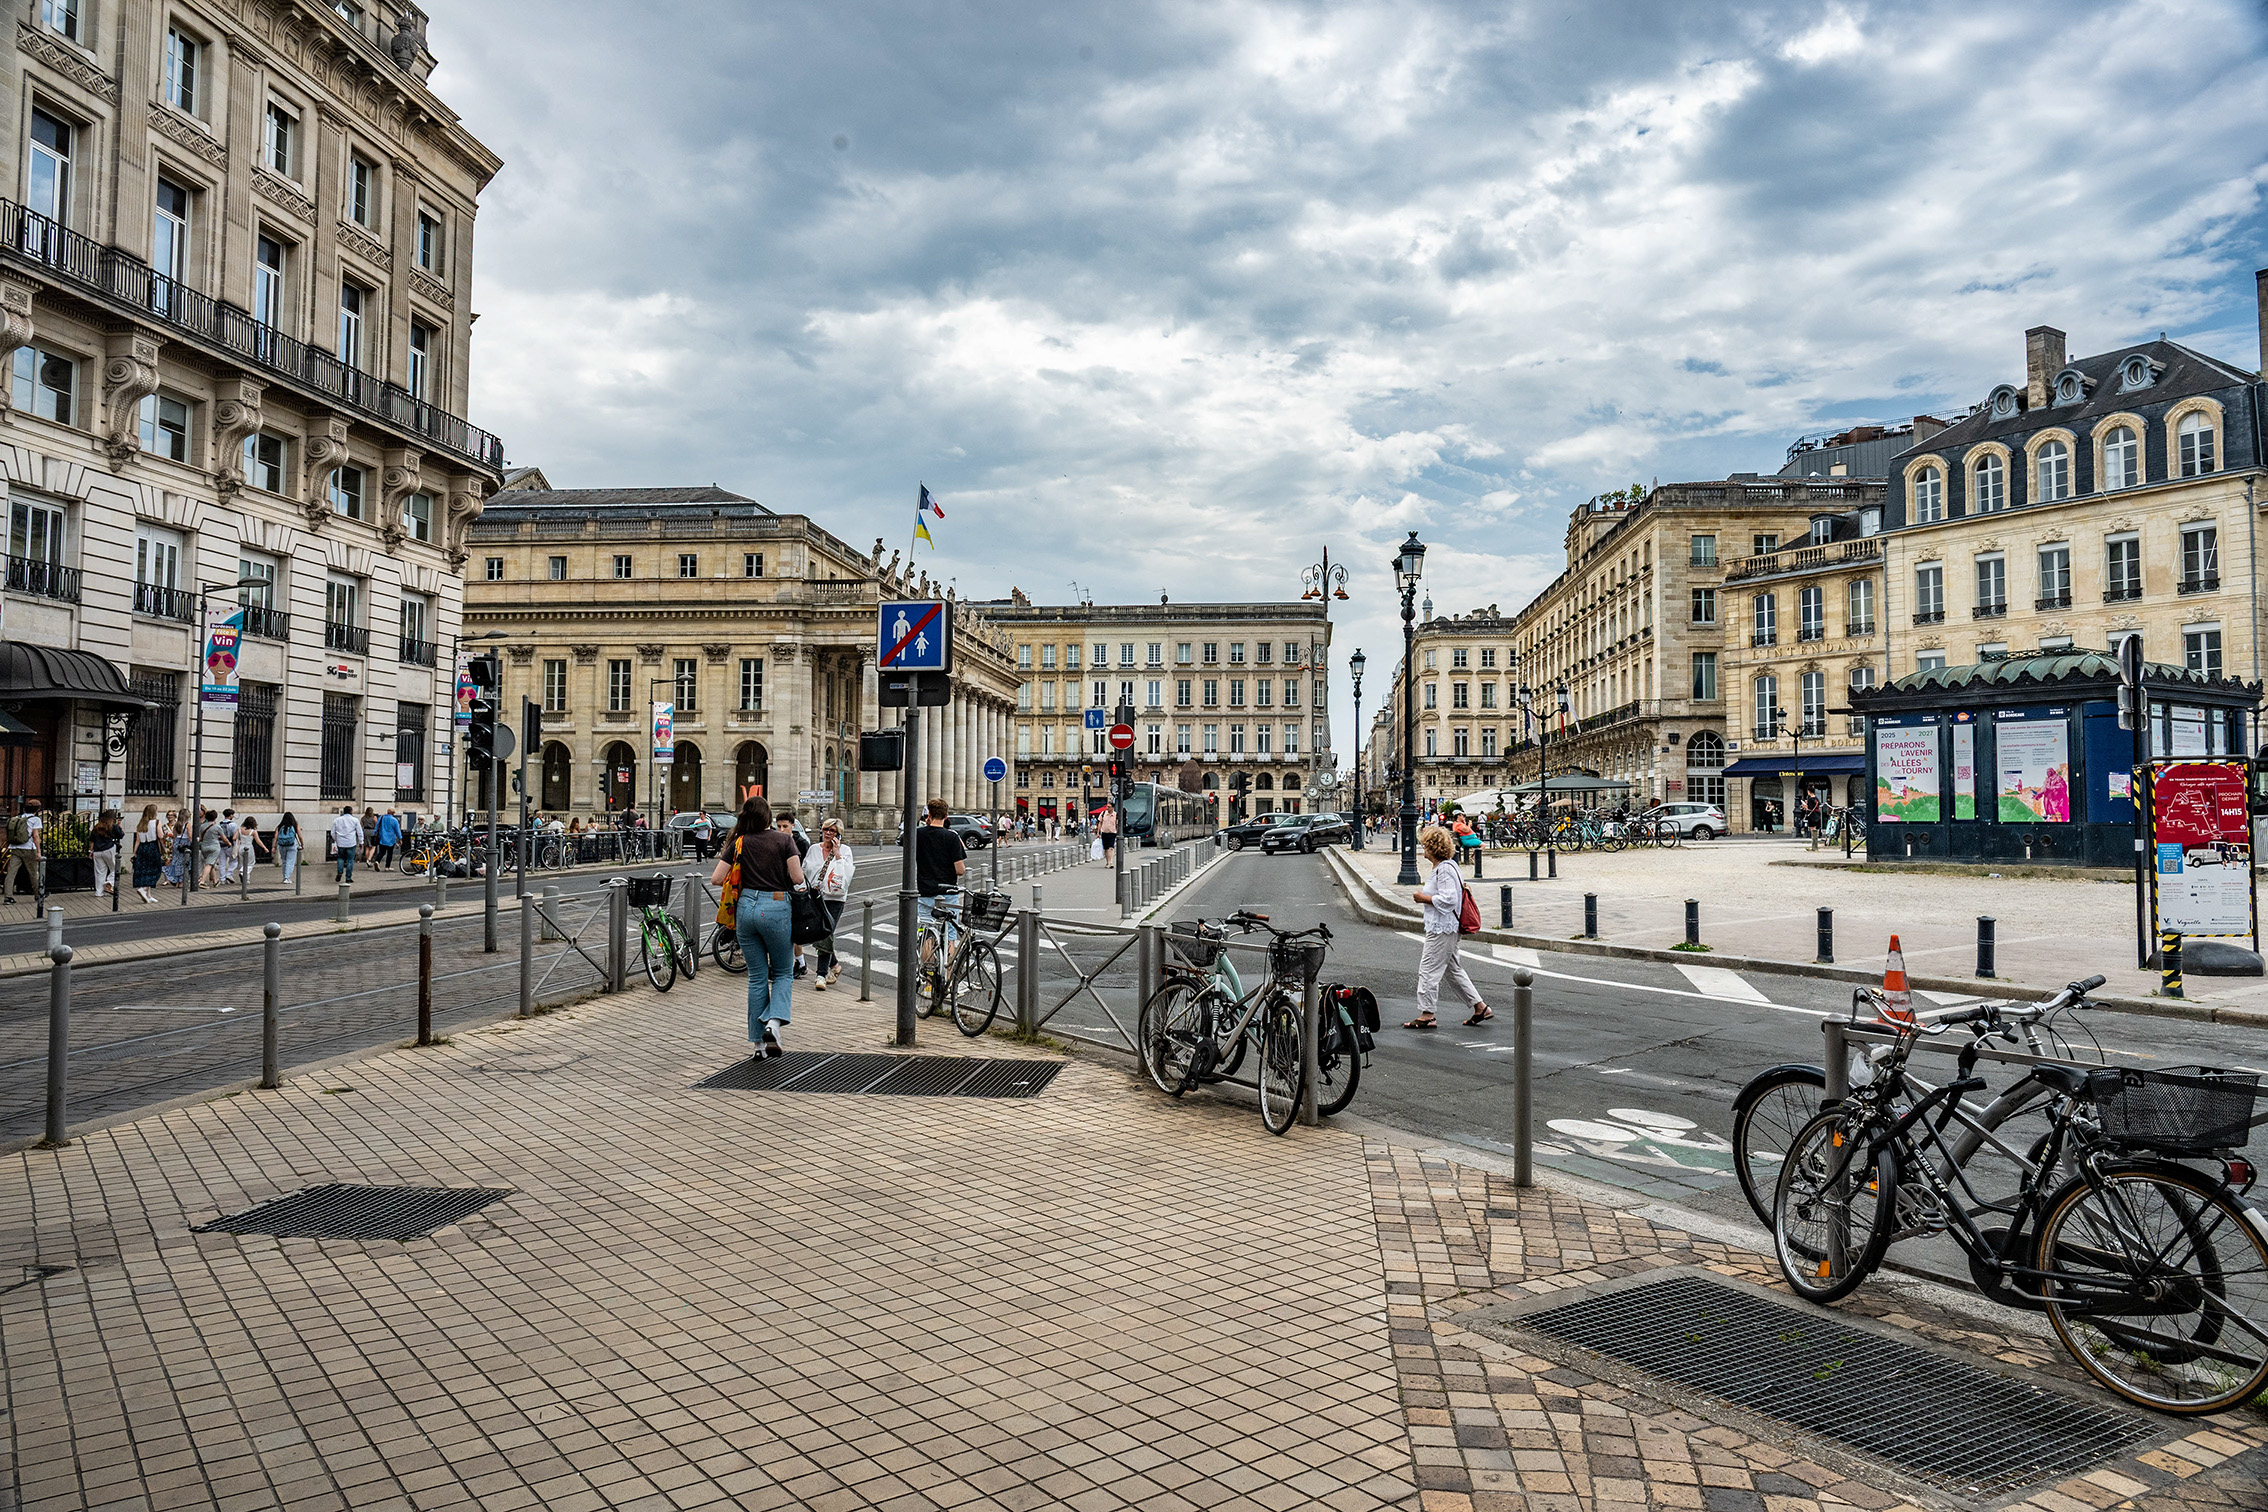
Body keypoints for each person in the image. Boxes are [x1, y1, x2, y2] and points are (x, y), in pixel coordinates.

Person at [711, 795, 805, 1058]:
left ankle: (758, 1046)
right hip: (776, 907)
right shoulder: (784, 840)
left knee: (756, 977)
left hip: (745, 911)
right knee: (784, 972)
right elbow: (797, 878)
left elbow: (717, 878)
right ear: (769, 817)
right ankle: (774, 1024)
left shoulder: (739, 842)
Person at [1403, 825, 1490, 1030]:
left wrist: (1422, 898)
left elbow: (1449, 900)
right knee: (1452, 970)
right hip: (1446, 926)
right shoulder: (1448, 867)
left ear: (1433, 848)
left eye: (1425, 845)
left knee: (1428, 968)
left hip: (1442, 928)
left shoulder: (1444, 869)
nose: (1422, 849)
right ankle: (1480, 1007)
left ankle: (1427, 1013)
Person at [914, 797, 968, 980]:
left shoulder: (918, 834)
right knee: (950, 936)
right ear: (946, 815)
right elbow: (960, 870)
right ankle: (948, 980)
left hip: (925, 891)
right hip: (948, 894)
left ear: (928, 814)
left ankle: (928, 981)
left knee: (928, 935)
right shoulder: (951, 836)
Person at [805, 818, 854, 989]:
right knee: (815, 933)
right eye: (826, 829)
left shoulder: (845, 850)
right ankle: (834, 965)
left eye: (832, 831)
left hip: (835, 899)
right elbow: (805, 871)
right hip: (815, 898)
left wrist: (837, 853)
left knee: (826, 933)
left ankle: (820, 975)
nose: (828, 833)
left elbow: (846, 874)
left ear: (838, 834)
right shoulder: (813, 849)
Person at [775, 812, 811, 977]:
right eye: (779, 826)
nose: (781, 830)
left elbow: (804, 869)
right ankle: (800, 963)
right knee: (786, 929)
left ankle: (798, 964)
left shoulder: (801, 843)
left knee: (792, 929)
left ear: (793, 826)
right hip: (780, 890)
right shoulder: (775, 841)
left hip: (796, 891)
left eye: (785, 826)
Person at [3, 798, 42, 905]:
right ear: (37, 809)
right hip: (29, 848)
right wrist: (38, 851)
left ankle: (8, 896)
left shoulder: (17, 817)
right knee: (33, 872)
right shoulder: (35, 819)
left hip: (15, 847)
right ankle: (38, 894)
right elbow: (35, 836)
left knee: (11, 873)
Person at [132, 803, 166, 904]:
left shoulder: (141, 824)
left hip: (142, 848)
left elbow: (137, 840)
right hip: (152, 847)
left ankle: (148, 895)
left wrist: (134, 853)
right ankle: (144, 888)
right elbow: (160, 835)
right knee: (155, 869)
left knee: (145, 870)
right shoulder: (156, 822)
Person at [89, 809, 121, 899]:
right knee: (115, 868)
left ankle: (99, 892)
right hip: (108, 849)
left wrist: (91, 851)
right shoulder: (112, 827)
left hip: (97, 851)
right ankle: (109, 883)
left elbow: (92, 840)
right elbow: (121, 835)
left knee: (99, 872)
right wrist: (119, 826)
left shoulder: (96, 827)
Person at [330, 805, 364, 881]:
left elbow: (332, 832)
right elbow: (359, 832)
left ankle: (340, 872)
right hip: (351, 842)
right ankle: (348, 877)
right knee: (350, 860)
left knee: (340, 858)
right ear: (351, 811)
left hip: (341, 843)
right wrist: (361, 842)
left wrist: (336, 839)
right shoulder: (355, 820)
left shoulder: (337, 820)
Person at [196, 809, 225, 890]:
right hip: (214, 847)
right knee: (208, 864)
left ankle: (215, 881)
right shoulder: (217, 827)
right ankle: (202, 881)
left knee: (210, 863)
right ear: (215, 817)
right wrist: (229, 844)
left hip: (204, 847)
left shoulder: (202, 826)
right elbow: (223, 838)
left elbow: (200, 838)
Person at [275, 811, 301, 888]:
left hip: (281, 845)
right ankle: (287, 878)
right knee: (290, 861)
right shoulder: (294, 825)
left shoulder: (280, 826)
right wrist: (302, 844)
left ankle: (284, 877)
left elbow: (275, 836)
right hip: (291, 845)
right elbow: (300, 835)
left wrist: (273, 846)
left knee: (284, 861)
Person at [232, 815, 260, 885]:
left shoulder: (239, 829)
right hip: (249, 847)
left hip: (241, 847)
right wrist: (265, 848)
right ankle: (242, 872)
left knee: (242, 863)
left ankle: (246, 880)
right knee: (250, 863)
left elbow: (234, 838)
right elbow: (258, 841)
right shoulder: (253, 831)